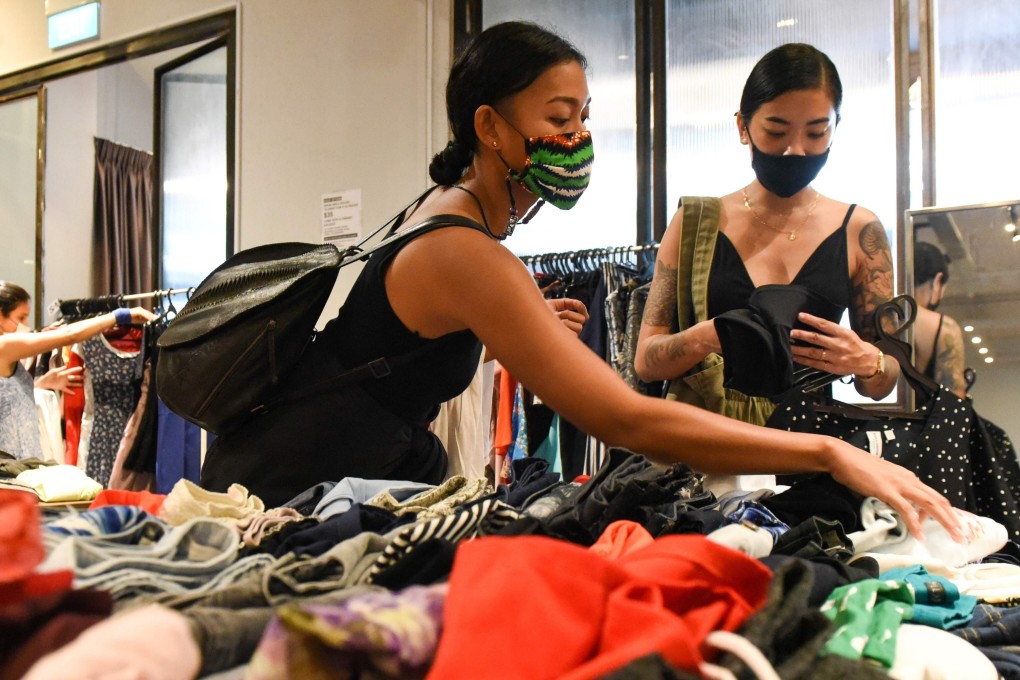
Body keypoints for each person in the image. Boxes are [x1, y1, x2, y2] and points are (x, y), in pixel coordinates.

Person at [199, 22, 961, 541]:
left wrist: (511, 336)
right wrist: (831, 455)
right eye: (560, 118)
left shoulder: (451, 219)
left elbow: (400, 344)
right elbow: (627, 412)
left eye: (586, 116)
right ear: (491, 128)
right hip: (300, 490)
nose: (579, 140)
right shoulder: (468, 249)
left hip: (355, 475)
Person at [635, 43, 900, 428]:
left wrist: (867, 362)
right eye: (776, 131)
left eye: (816, 132)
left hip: (813, 454)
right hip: (709, 455)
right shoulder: (694, 224)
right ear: (743, 126)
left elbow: (883, 381)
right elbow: (645, 362)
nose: (796, 150)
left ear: (835, 127)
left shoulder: (860, 230)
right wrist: (708, 337)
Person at [0, 281, 153, 460]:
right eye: (21, 318)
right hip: (10, 465)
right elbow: (69, 335)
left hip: (18, 459)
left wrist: (41, 384)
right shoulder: (4, 346)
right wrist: (120, 316)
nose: (25, 324)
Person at [912, 241, 967, 398]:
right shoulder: (944, 326)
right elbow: (955, 398)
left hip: (866, 419)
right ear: (937, 281)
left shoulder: (877, 316)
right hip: (922, 421)